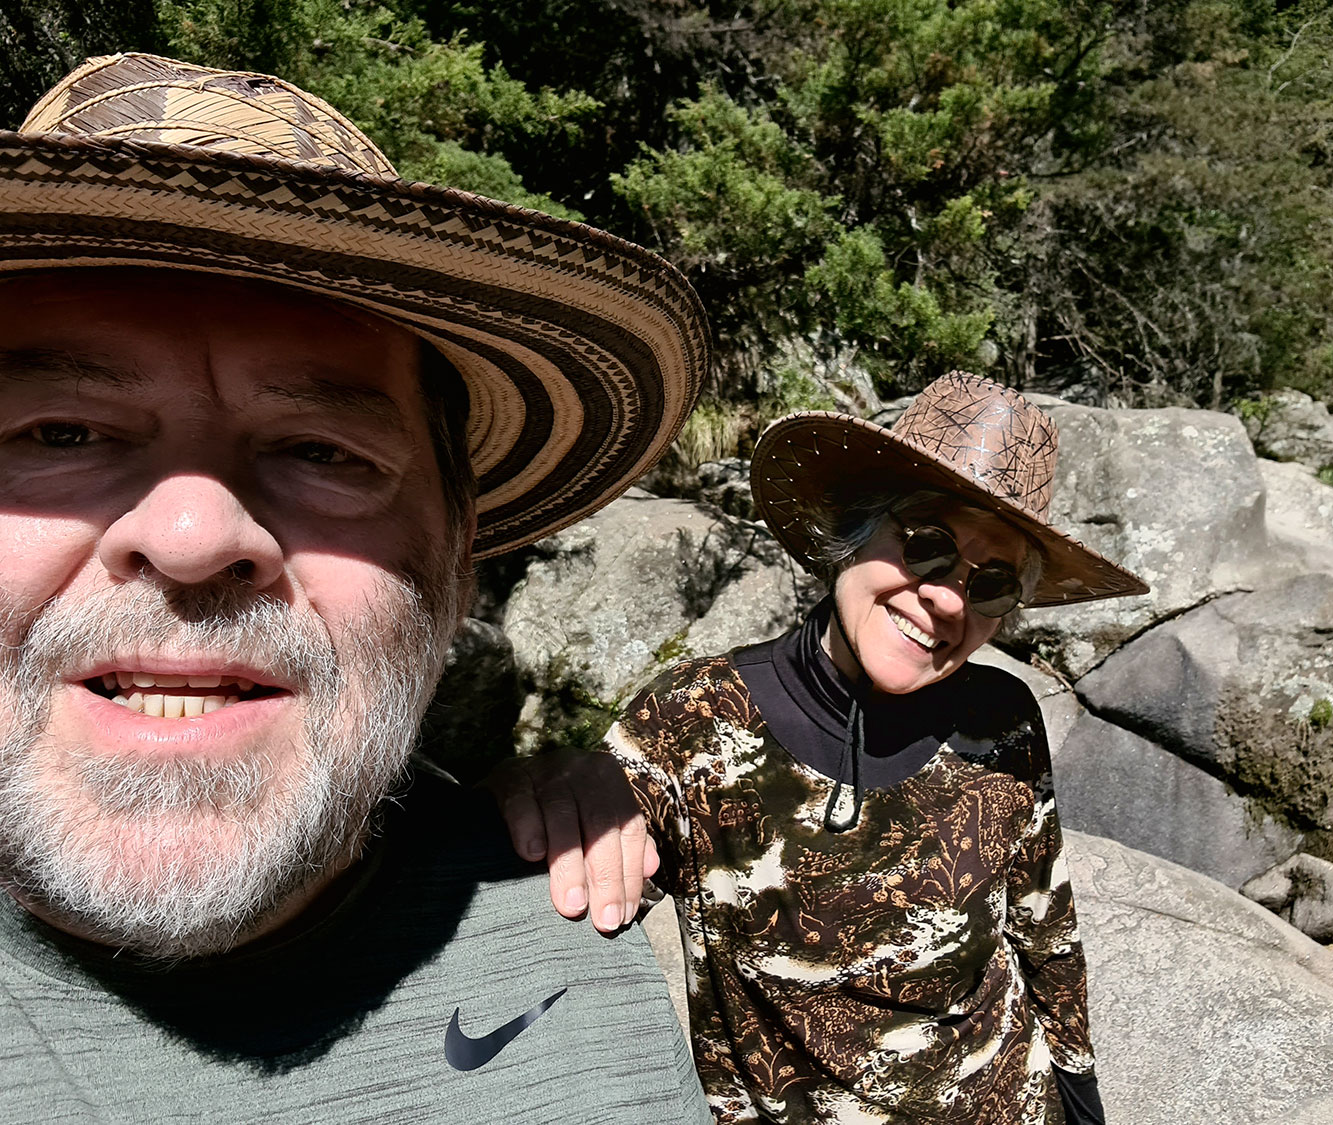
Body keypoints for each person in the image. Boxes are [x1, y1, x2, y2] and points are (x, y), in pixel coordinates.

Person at [0, 52, 712, 1122]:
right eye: (60, 433)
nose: (194, 536)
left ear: (457, 563)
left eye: (323, 451)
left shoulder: (577, 953)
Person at [509, 373, 1147, 1123]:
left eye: (993, 583)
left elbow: (1046, 929)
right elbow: (559, 882)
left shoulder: (1002, 717)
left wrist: (1083, 1101)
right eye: (929, 546)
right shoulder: (694, 719)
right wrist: (527, 790)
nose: (948, 599)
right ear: (852, 530)